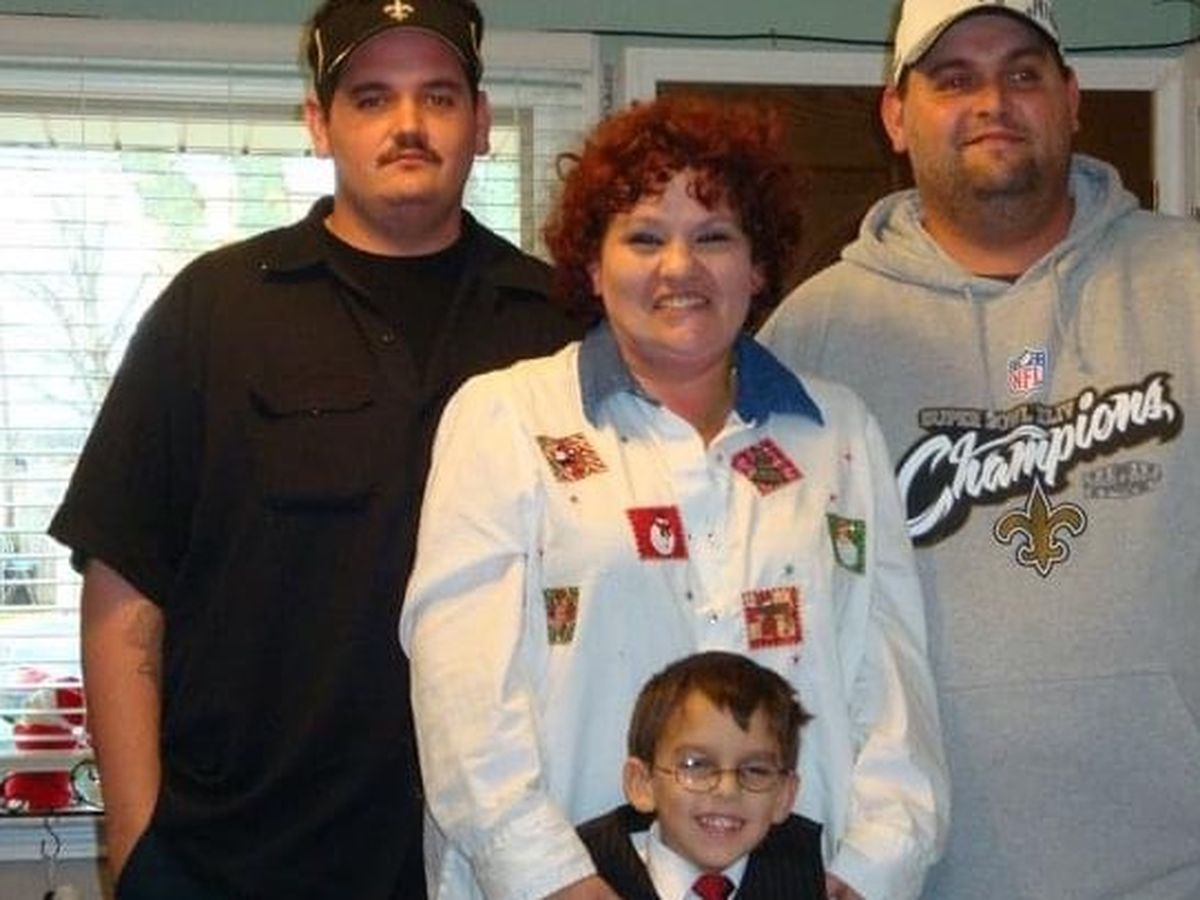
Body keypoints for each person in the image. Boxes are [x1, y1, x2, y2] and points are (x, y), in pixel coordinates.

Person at [47, 0, 582, 897]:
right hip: (241, 860)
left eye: (439, 96)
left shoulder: (559, 325)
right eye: (371, 98)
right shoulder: (215, 310)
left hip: (499, 859)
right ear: (318, 123)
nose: (408, 124)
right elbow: (125, 581)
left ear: (482, 123)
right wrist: (136, 844)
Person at [400, 94, 948, 900]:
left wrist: (873, 868)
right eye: (645, 238)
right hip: (570, 879)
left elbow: (892, 678)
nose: (680, 267)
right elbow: (462, 693)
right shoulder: (506, 418)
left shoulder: (837, 432)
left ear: (757, 266)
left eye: (714, 236)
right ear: (594, 266)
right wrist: (551, 879)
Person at [758, 0, 1200, 896]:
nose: (993, 102)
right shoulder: (814, 334)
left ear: (1072, 98)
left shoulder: (1187, 283)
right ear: (895, 114)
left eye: (1022, 74)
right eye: (954, 79)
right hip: (912, 870)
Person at [576, 650, 828, 899]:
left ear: (784, 795)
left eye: (755, 770)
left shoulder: (806, 874)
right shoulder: (586, 876)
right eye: (696, 765)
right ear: (642, 783)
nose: (727, 790)